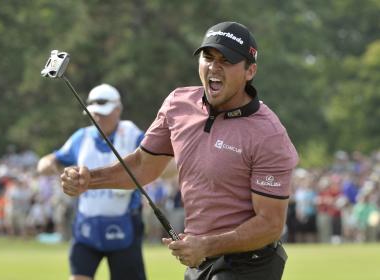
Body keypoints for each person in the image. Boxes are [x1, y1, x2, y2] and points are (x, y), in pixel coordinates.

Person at [60, 22, 299, 280]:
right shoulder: (178, 105)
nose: (214, 66)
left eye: (226, 60)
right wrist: (90, 180)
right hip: (200, 261)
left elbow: (271, 225)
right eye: (208, 57)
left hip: (249, 266)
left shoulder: (269, 134)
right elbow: (142, 166)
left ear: (250, 71)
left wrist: (206, 245)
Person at [37, 84, 146, 280]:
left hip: (125, 225)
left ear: (118, 109)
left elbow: (157, 161)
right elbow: (47, 162)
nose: (98, 118)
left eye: (103, 113)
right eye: (94, 113)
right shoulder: (82, 136)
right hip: (86, 227)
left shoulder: (131, 133)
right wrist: (53, 167)